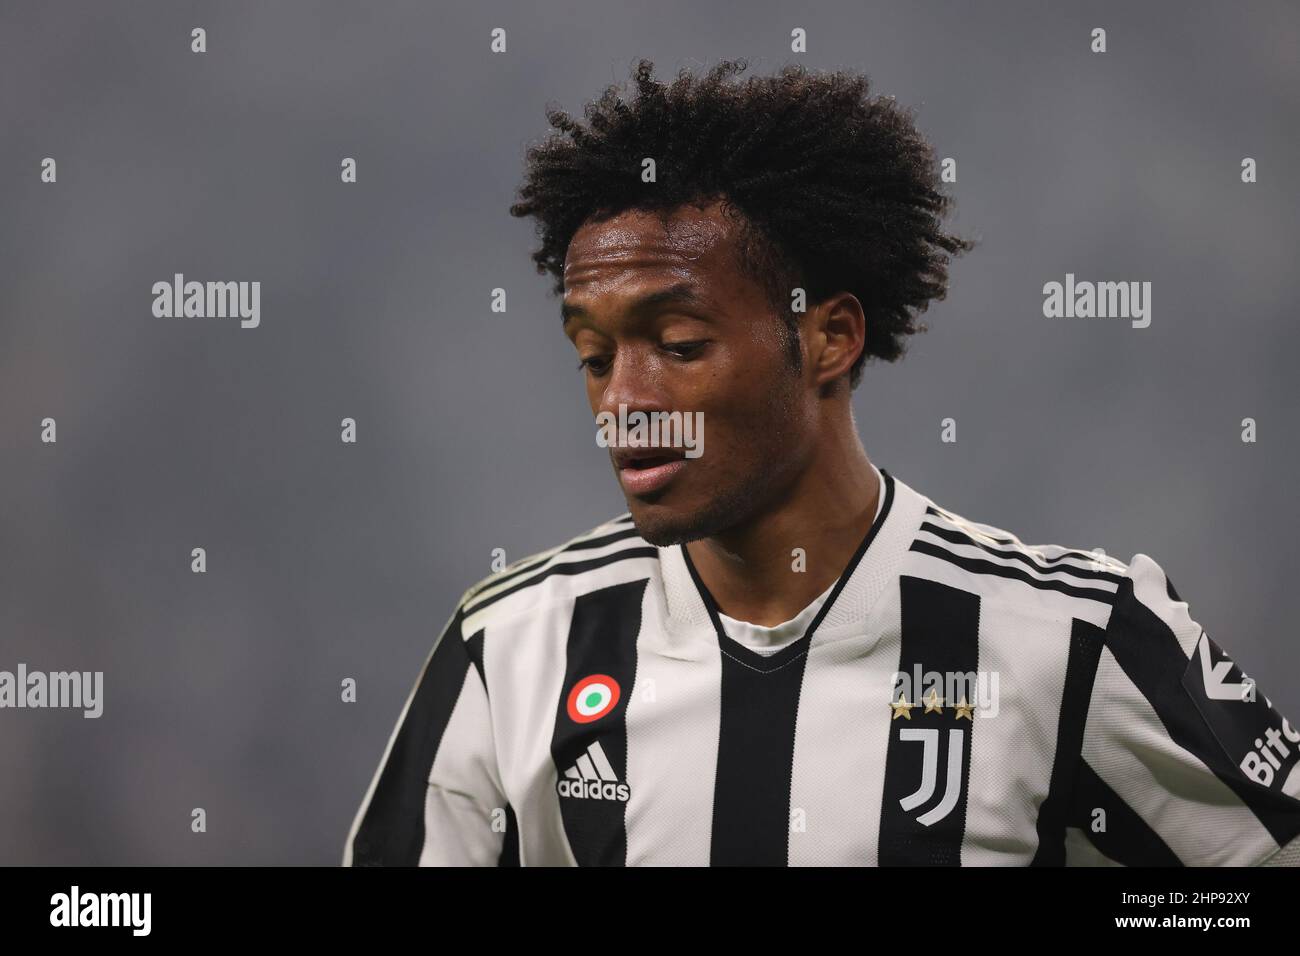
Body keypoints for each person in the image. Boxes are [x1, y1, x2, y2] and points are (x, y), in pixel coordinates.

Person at [344, 59, 1300, 866]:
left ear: (830, 337)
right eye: (594, 358)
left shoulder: (1071, 640)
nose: (622, 404)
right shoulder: (512, 648)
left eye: (677, 344)